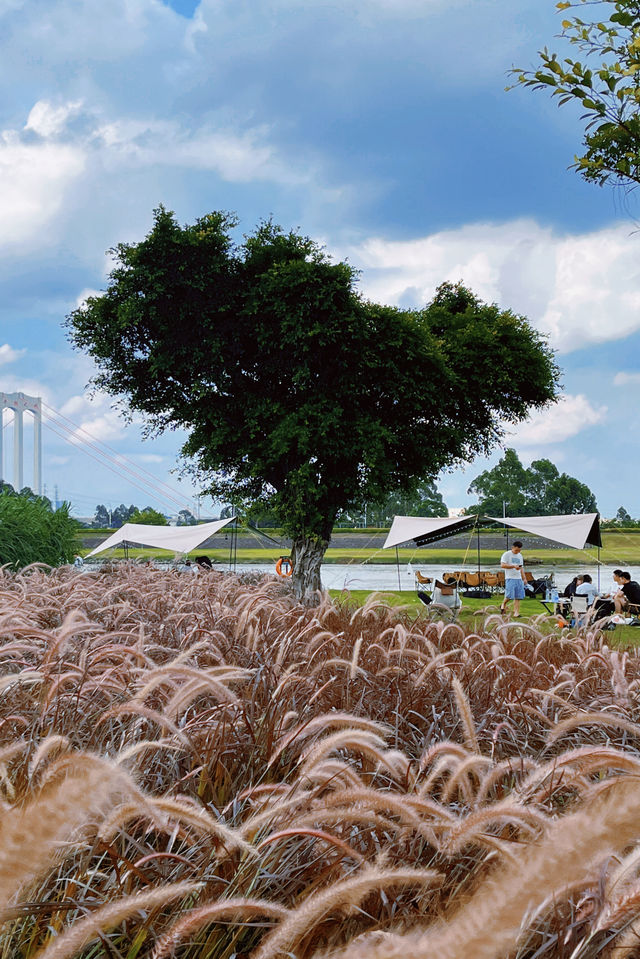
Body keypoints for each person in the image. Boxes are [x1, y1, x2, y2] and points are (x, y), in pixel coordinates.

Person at [500, 540, 526, 617]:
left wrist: (524, 578)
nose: (517, 551)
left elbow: (521, 568)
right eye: (516, 550)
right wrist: (513, 566)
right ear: (513, 547)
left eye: (519, 550)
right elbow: (503, 565)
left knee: (518, 596)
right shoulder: (506, 554)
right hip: (510, 577)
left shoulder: (520, 556)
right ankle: (503, 604)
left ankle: (516, 613)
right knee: (509, 596)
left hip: (518, 578)